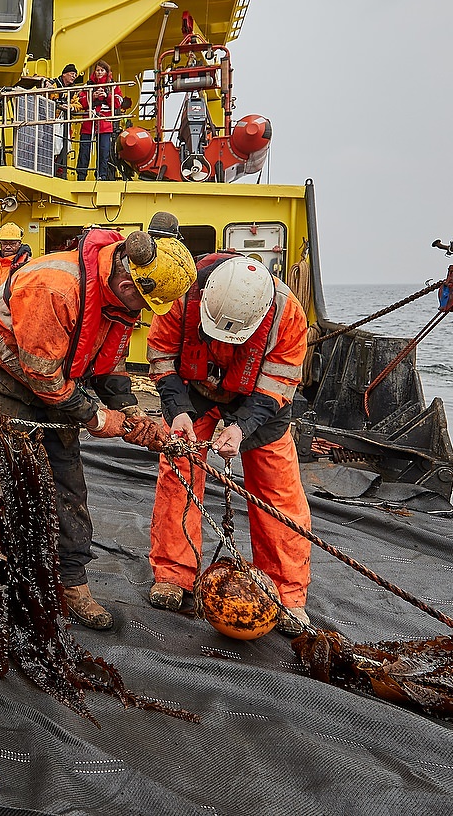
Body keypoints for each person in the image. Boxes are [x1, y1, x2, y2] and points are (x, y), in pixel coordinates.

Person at [0, 215, 197, 630]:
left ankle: (71, 582)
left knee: (68, 482)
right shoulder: (53, 286)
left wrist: (133, 413)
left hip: (55, 376)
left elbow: (110, 364)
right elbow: (43, 375)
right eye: (144, 306)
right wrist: (98, 416)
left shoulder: (116, 299)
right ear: (128, 288)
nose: (143, 315)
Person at [145, 250, 313, 635]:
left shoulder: (287, 316)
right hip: (195, 388)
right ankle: (174, 573)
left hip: (257, 397)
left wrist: (240, 428)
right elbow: (162, 356)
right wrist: (177, 411)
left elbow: (275, 387)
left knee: (277, 491)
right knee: (179, 473)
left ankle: (286, 594)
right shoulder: (179, 296)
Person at [75, 61, 129, 181]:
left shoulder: (113, 86)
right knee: (84, 150)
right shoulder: (88, 85)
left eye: (102, 70)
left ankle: (101, 175)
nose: (99, 72)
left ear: (106, 72)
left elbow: (118, 102)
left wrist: (106, 96)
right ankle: (81, 175)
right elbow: (80, 101)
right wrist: (92, 96)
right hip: (89, 123)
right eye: (97, 70)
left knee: (103, 151)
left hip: (105, 123)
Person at [0, 222, 32, 303]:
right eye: (4, 243)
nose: (8, 247)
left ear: (19, 244)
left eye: (12, 244)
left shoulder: (28, 264)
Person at [49, 63, 82, 179]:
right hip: (51, 120)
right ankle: (51, 168)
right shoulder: (53, 84)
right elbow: (49, 96)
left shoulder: (73, 90)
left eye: (75, 75)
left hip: (65, 122)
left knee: (65, 145)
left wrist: (71, 107)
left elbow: (78, 104)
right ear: (64, 74)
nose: (74, 77)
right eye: (72, 74)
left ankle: (60, 170)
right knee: (52, 145)